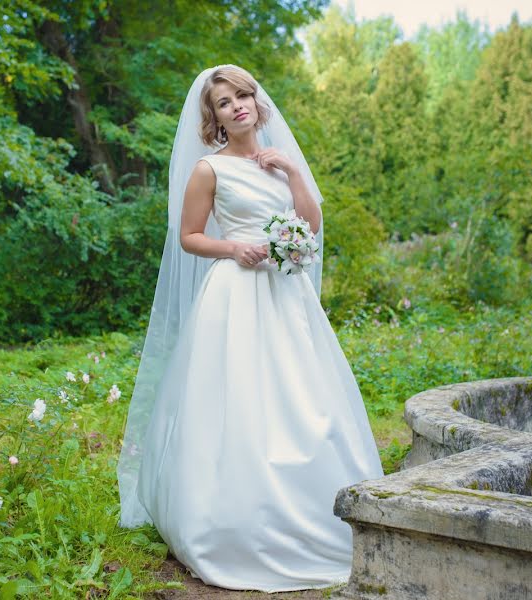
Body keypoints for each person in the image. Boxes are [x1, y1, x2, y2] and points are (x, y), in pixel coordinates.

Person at [115, 64, 385, 593]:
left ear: (257, 103)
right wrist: (234, 246)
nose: (237, 105)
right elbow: (191, 236)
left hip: (286, 295)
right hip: (235, 294)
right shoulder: (209, 171)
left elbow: (310, 225)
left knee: (304, 399)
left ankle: (315, 505)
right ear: (213, 117)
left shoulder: (280, 164)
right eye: (224, 102)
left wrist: (291, 171)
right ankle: (228, 519)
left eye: (244, 95)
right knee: (237, 398)